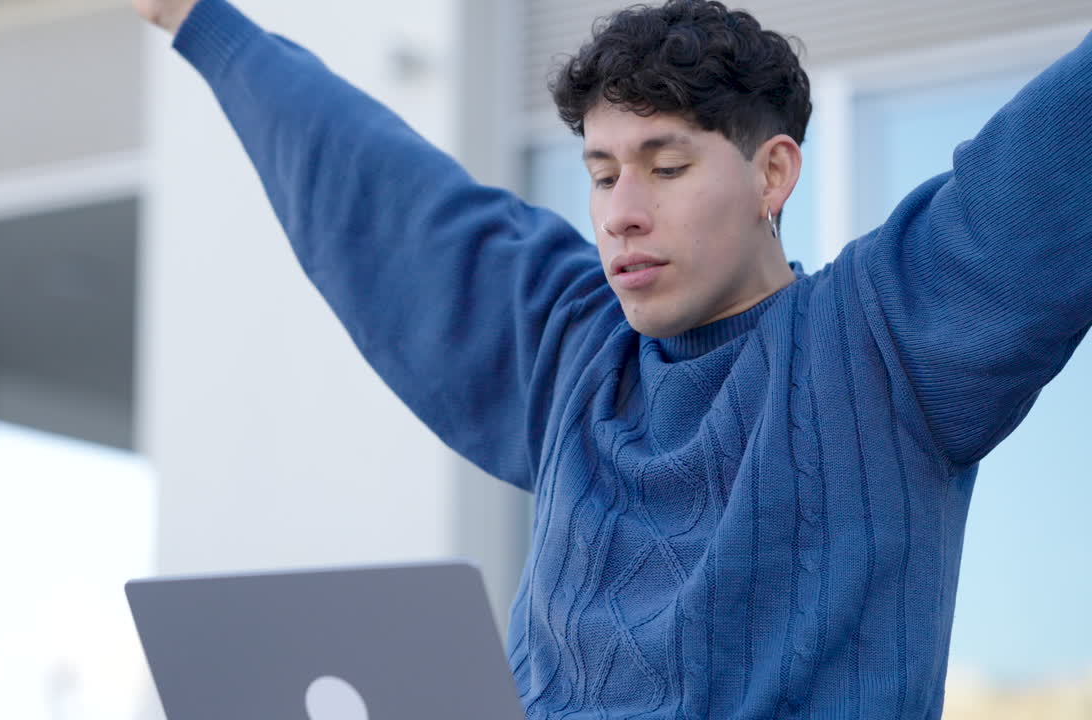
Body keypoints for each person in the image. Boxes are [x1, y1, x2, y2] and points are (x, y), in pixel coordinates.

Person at [134, 0, 1092, 716]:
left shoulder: (884, 338)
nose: (621, 210)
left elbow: (1062, 148)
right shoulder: (575, 352)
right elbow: (385, 192)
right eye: (600, 173)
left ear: (774, 172)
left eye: (666, 168)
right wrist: (204, 21)